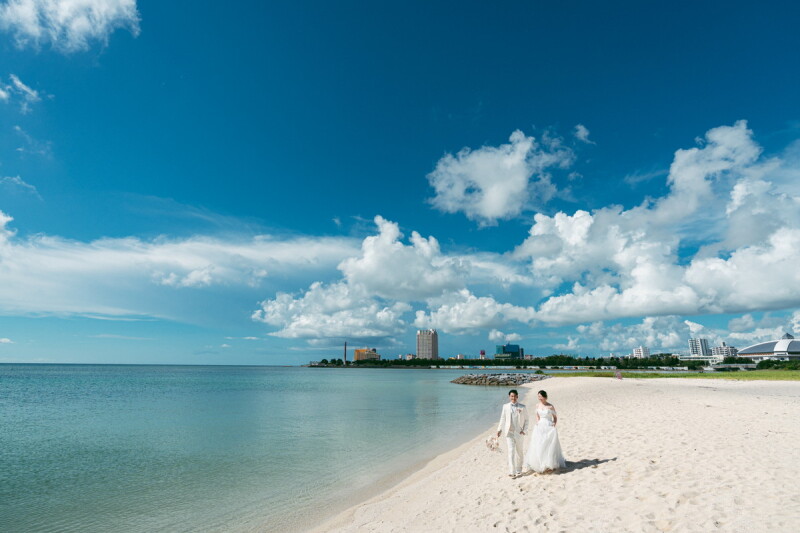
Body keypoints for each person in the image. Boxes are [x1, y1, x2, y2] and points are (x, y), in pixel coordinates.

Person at [524, 389, 566, 473]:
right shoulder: (537, 405)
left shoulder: (550, 406)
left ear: (545, 397)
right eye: (538, 396)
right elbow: (537, 416)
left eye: (541, 396)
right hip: (540, 426)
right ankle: (540, 463)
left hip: (549, 426)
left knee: (549, 444)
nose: (539, 398)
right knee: (539, 444)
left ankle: (549, 463)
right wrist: (537, 422)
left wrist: (554, 423)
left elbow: (555, 417)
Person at [496, 389, 528, 478]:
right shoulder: (505, 406)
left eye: (514, 396)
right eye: (511, 396)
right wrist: (499, 429)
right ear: (509, 397)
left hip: (519, 433)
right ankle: (512, 471)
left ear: (517, 396)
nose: (513, 398)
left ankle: (519, 469)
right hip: (509, 433)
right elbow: (502, 418)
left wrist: (524, 430)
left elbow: (527, 420)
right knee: (511, 452)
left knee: (520, 452)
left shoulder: (522, 407)